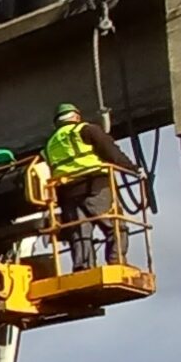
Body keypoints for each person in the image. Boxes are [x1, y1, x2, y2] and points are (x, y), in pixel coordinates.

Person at [42, 101, 139, 270]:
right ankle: (117, 262)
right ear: (76, 117)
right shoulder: (86, 130)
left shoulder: (49, 144)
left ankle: (83, 267)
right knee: (115, 225)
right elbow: (111, 152)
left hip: (67, 194)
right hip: (95, 186)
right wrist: (134, 169)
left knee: (80, 233)